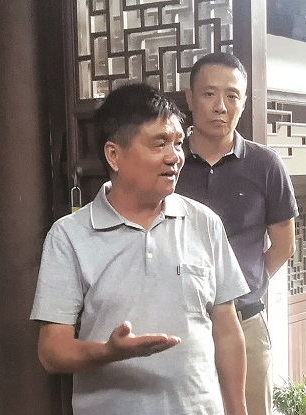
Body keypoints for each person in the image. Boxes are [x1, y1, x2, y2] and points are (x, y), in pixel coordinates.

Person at [30, 83, 250, 415]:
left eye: (178, 143)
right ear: (114, 155)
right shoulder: (69, 236)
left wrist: (238, 410)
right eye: (159, 143)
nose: (174, 157)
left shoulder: (204, 222)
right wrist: (109, 352)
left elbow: (227, 329)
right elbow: (51, 351)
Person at [176, 52, 298, 415]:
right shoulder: (170, 163)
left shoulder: (265, 164)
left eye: (232, 96)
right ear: (190, 98)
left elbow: (284, 245)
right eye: (209, 94)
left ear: (243, 102)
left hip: (246, 324)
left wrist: (244, 284)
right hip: (180, 325)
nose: (220, 106)